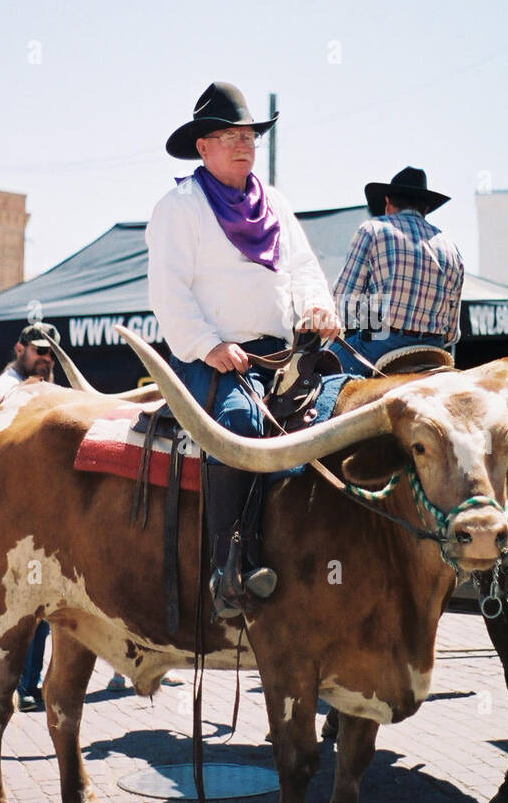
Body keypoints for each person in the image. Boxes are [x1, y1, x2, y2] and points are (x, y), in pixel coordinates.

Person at [146, 81, 339, 619]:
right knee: (239, 427)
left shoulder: (275, 201)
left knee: (346, 410)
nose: (242, 143)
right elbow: (169, 290)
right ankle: (229, 565)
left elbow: (302, 269)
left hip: (281, 354)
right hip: (214, 358)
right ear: (202, 147)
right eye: (228, 135)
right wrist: (209, 345)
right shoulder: (179, 207)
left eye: (248, 134)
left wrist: (318, 308)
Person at [0, 323, 60, 710]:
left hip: (43, 519)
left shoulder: (49, 389)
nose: (44, 358)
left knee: (41, 605)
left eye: (50, 353)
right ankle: (20, 686)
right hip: (16, 523)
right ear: (20, 348)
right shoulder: (1, 391)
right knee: (26, 605)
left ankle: (28, 684)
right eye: (38, 350)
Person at [332, 166, 464, 371]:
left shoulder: (373, 230)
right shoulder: (451, 247)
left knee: (315, 369)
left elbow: (342, 300)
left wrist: (365, 321)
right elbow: (451, 333)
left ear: (387, 203)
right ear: (426, 209)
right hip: (433, 350)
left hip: (379, 345)